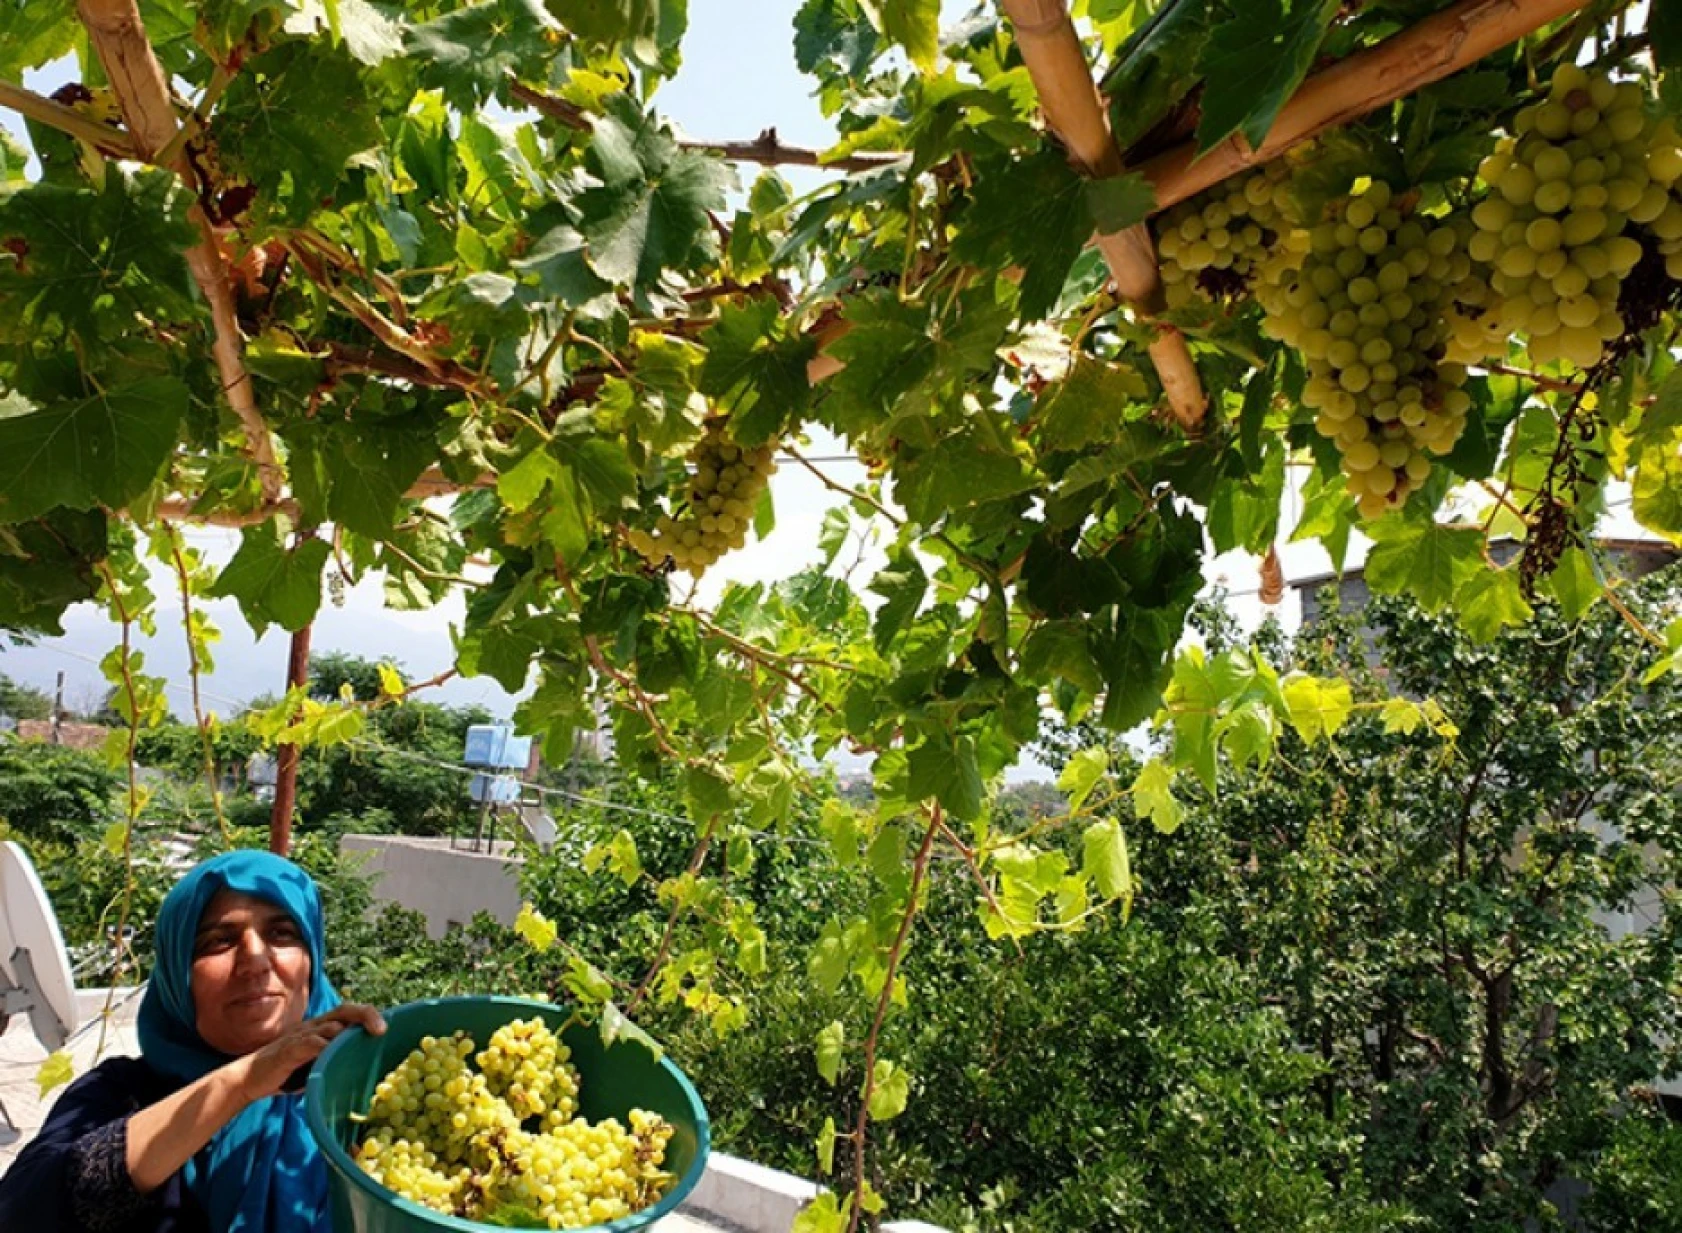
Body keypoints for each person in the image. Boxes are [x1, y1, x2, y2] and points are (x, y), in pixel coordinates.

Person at [0, 850, 386, 1232]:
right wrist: (242, 1082)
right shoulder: (121, 1091)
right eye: (219, 941)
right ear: (177, 973)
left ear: (312, 958)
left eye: (282, 933)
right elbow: (22, 1214)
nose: (255, 960)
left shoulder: (367, 1095)